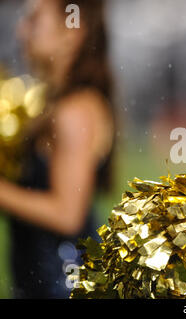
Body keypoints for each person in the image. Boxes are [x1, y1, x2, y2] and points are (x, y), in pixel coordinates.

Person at [0, 0, 115, 298]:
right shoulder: (56, 105)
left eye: (34, 20)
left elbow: (67, 214)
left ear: (71, 32)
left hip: (64, 284)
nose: (21, 30)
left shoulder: (74, 111)